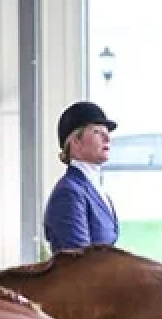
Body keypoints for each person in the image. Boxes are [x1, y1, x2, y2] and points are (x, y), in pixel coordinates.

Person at [43, 101, 118, 253]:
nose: (107, 138)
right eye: (97, 132)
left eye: (107, 132)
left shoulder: (96, 190)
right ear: (75, 141)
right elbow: (80, 263)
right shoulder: (69, 193)